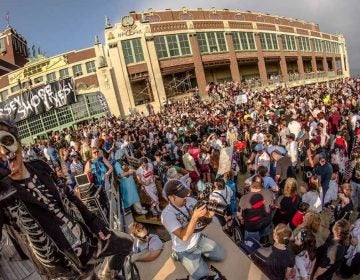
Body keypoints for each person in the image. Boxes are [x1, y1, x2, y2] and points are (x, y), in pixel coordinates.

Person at [0, 116, 133, 280]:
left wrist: (93, 220)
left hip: (86, 239)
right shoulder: (3, 193)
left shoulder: (38, 165)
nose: (4, 152)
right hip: (64, 266)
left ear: (17, 141)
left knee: (126, 242)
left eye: (6, 140)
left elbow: (68, 195)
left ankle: (108, 274)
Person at [161, 179, 225, 280]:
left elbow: (204, 221)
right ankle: (178, 255)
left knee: (221, 255)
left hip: (198, 239)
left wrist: (210, 214)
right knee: (202, 275)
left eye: (185, 193)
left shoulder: (191, 200)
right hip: (184, 249)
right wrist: (194, 217)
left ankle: (198, 255)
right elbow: (184, 236)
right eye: (181, 196)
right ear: (171, 198)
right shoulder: (166, 215)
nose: (185, 197)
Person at [238, 178, 274, 244]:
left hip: (252, 227)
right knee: (263, 239)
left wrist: (242, 220)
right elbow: (272, 206)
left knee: (252, 244)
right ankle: (264, 243)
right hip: (266, 222)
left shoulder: (244, 198)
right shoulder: (268, 193)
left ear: (251, 186)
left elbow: (239, 215)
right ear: (261, 186)